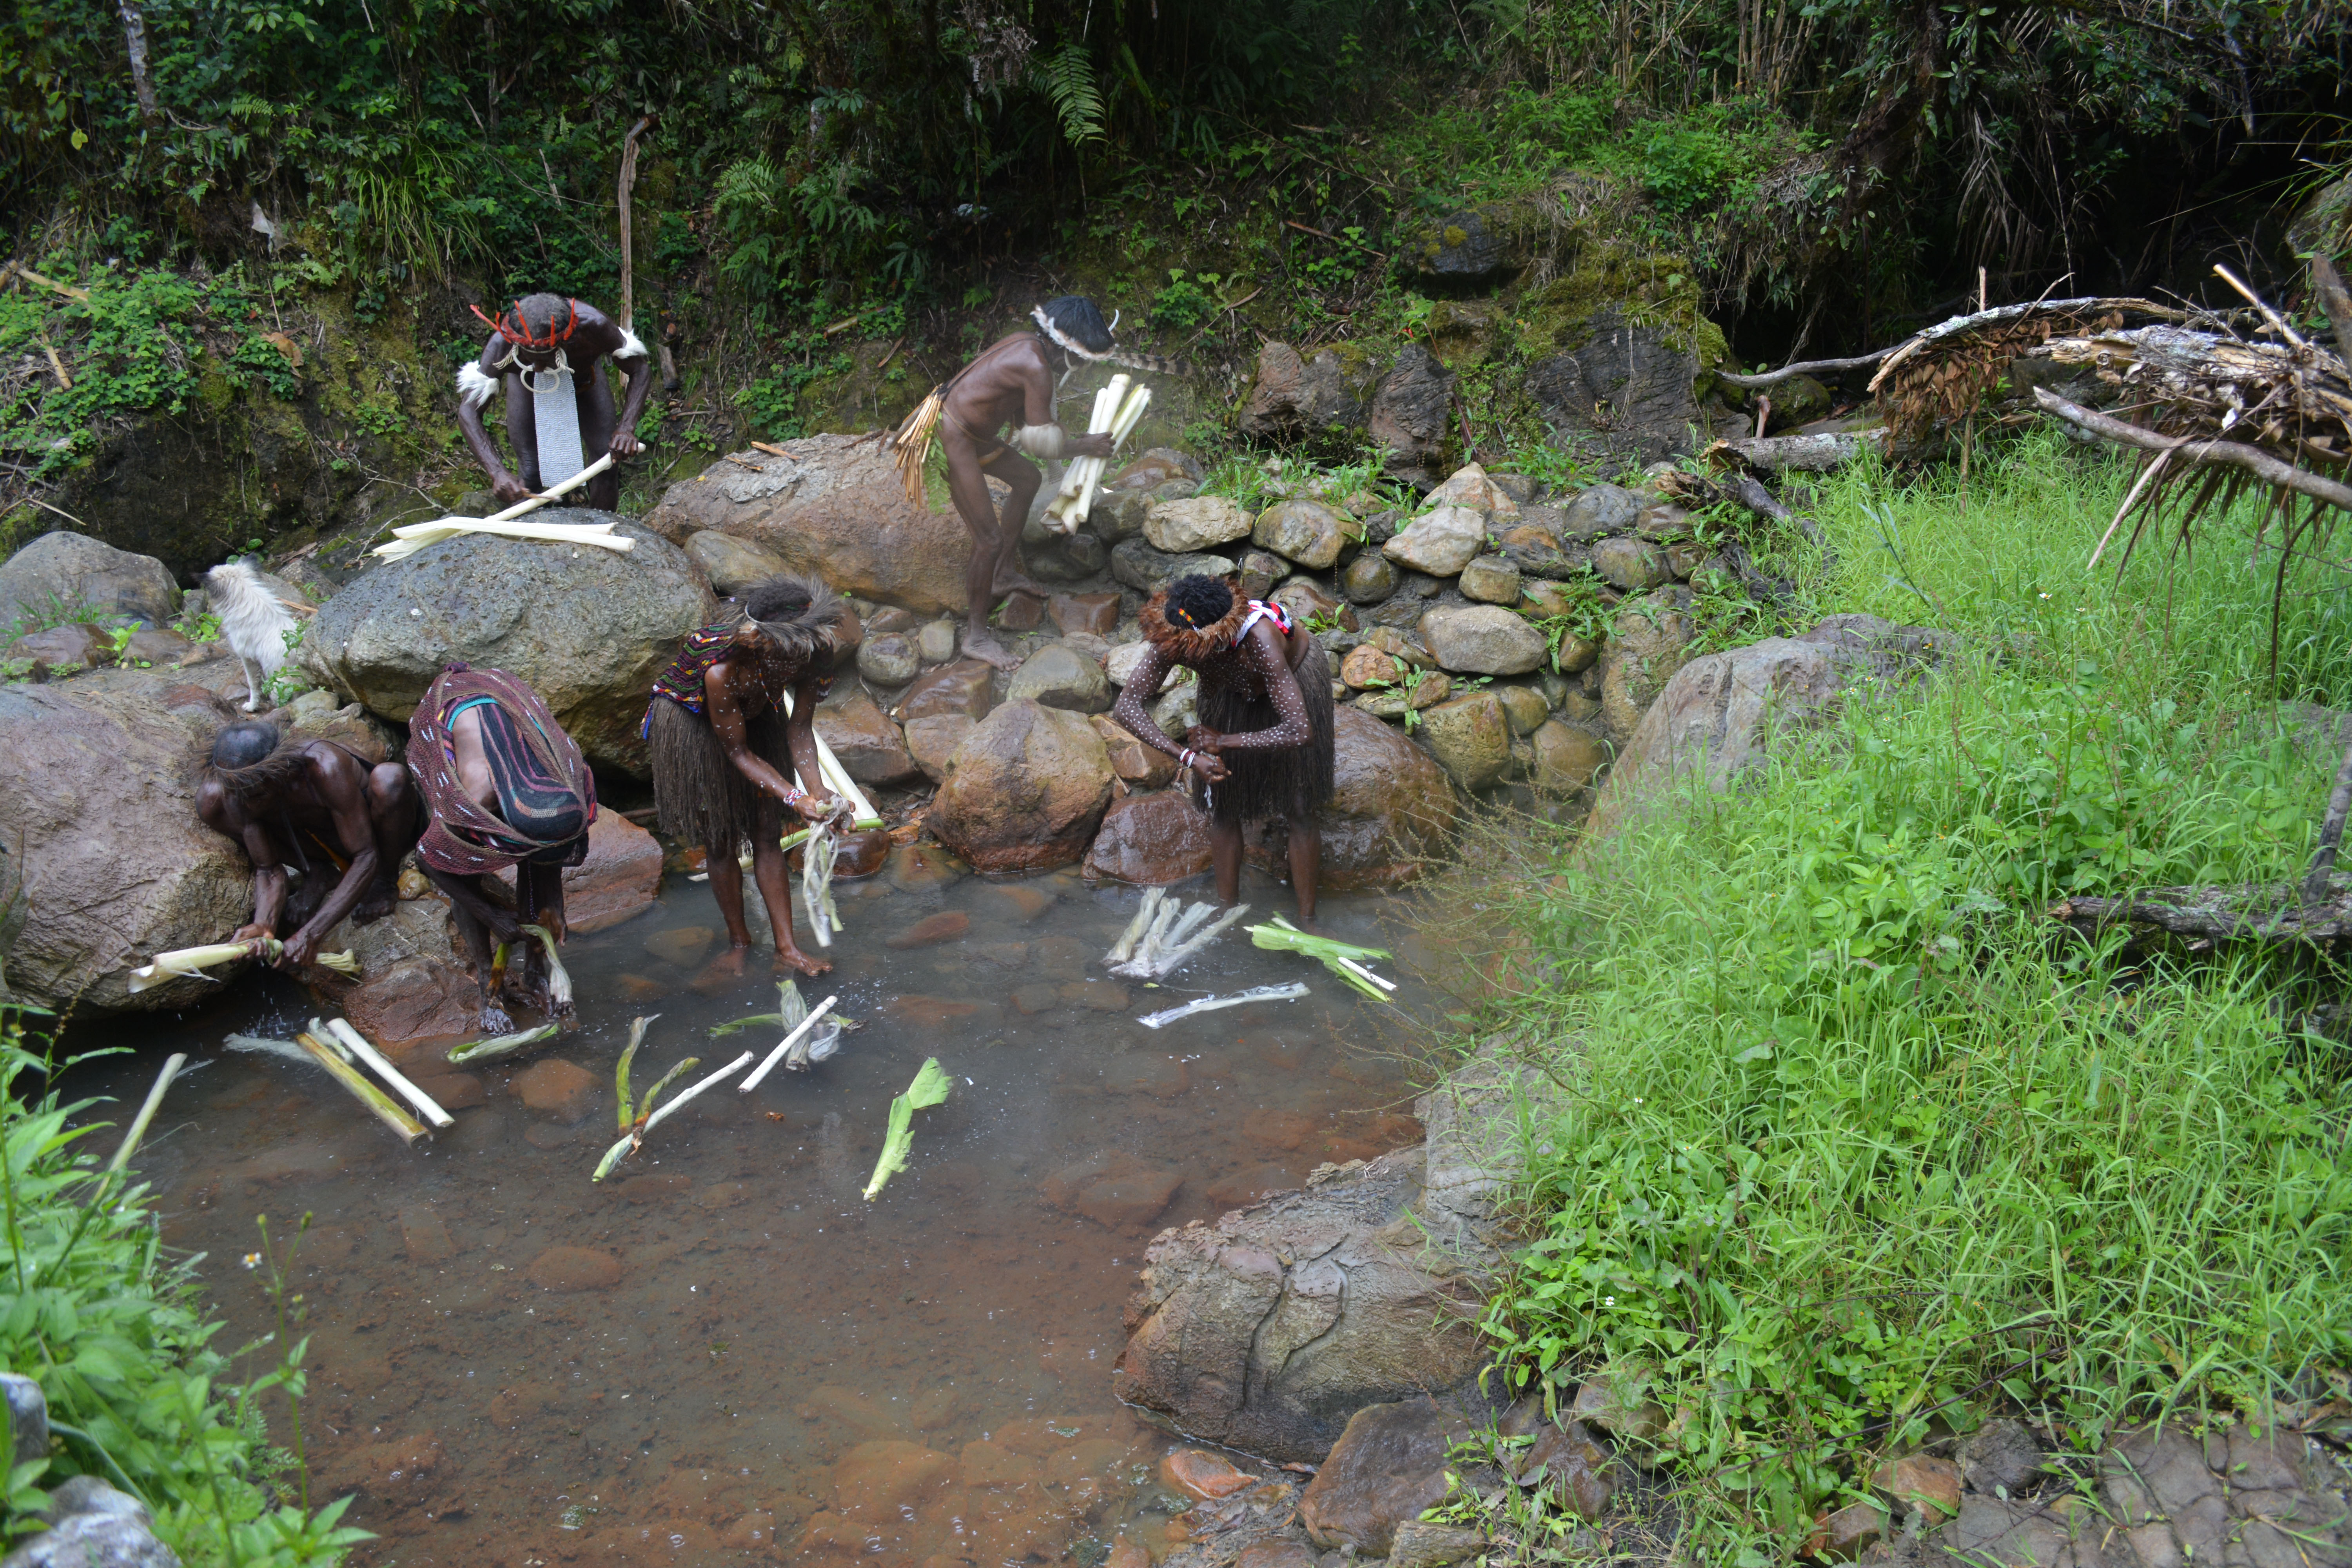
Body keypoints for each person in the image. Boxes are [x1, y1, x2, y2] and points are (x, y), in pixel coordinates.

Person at [892, 296, 1128, 670]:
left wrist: (1075, 440)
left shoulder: (1028, 346)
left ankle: (1001, 574)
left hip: (975, 435)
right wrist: (1086, 445)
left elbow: (1025, 423)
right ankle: (976, 637)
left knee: (1028, 478)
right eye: (1083, 360)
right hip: (953, 436)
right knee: (987, 540)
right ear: (1069, 349)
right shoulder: (1036, 366)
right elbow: (1039, 441)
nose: (1082, 368)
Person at [643, 575, 857, 978]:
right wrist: (794, 798)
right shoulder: (720, 668)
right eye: (789, 653)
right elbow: (738, 753)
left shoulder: (814, 647)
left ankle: (787, 948)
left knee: (767, 830)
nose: (800, 660)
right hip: (695, 721)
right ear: (760, 643)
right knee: (721, 835)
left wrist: (821, 795)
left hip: (759, 703)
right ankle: (739, 942)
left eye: (804, 650)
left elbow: (799, 729)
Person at [1108, 573, 1335, 923]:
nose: (1178, 653)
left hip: (1292, 675)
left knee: (1299, 805)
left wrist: (1225, 741)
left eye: (1188, 647)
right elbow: (1127, 707)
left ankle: (1308, 920)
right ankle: (1227, 912)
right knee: (1224, 802)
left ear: (1210, 636)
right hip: (1228, 686)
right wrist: (1188, 756)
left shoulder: (1260, 638)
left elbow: (1299, 731)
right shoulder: (1175, 631)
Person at [407, 663, 598, 1031]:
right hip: (452, 711)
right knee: (463, 865)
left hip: (504, 700)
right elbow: (430, 860)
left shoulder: (575, 781)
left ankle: (534, 972)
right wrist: (492, 916)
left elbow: (547, 864)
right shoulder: (473, 800)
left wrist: (550, 921)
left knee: (541, 863)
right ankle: (486, 985)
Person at [196, 720, 421, 971]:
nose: (245, 803)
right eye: (238, 793)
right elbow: (268, 869)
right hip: (318, 841)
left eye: (255, 792)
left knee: (391, 778)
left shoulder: (323, 766)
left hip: (373, 835)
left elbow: (366, 856)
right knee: (209, 803)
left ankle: (385, 881)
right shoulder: (236, 792)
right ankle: (317, 872)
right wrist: (263, 925)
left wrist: (310, 935)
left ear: (281, 769)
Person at [455, 293, 653, 514]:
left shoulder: (593, 327)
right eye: (531, 358)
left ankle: (601, 532)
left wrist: (627, 428)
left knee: (607, 462)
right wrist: (497, 472)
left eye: (545, 359)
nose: (539, 368)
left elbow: (640, 369)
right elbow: (468, 411)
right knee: (531, 473)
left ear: (568, 341)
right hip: (527, 388)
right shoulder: (503, 345)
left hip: (585, 381)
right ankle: (535, 541)